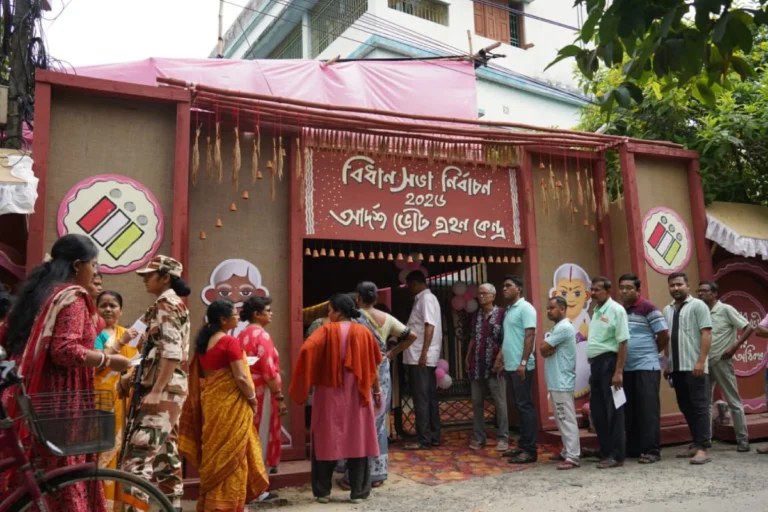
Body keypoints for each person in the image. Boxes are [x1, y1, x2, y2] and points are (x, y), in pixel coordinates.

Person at [0, 234, 131, 510]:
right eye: (93, 265)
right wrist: (109, 360)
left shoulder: (39, 293)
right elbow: (66, 351)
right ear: (76, 266)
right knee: (61, 472)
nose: (95, 272)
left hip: (28, 392)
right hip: (59, 399)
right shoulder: (72, 298)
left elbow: (7, 334)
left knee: (35, 469)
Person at [290, 294, 383, 504]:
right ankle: (358, 493)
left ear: (338, 312)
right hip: (357, 394)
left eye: (330, 310)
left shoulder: (323, 331)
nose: (328, 314)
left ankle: (323, 492)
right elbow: (373, 367)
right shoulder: (364, 333)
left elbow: (306, 350)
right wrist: (376, 392)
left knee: (325, 440)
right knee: (357, 441)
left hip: (328, 396)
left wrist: (308, 379)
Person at [179, 299, 269, 511]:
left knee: (215, 453)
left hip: (211, 404)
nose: (239, 317)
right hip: (231, 406)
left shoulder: (203, 343)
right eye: (235, 314)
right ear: (223, 319)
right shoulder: (230, 342)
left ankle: (212, 503)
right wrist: (253, 400)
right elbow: (241, 378)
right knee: (234, 457)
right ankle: (230, 505)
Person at [119, 255, 191, 510]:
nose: (144, 280)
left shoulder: (165, 305)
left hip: (163, 391)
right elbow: (158, 352)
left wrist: (156, 390)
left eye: (149, 275)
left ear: (165, 278)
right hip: (170, 389)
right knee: (164, 455)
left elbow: (171, 352)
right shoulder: (172, 304)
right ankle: (174, 505)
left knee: (136, 460)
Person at [346, 281, 416, 488]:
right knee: (377, 420)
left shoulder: (353, 318)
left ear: (358, 297)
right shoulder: (387, 319)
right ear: (376, 298)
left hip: (357, 370)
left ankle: (355, 475)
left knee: (357, 420)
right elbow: (411, 335)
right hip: (380, 368)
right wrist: (392, 353)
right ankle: (377, 474)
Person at [94, 290, 140, 511]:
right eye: (103, 305)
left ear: (121, 310)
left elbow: (134, 364)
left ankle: (120, 505)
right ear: (97, 309)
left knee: (124, 453)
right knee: (104, 452)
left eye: (113, 305)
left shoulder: (129, 333)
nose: (108, 309)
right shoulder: (97, 334)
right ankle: (103, 505)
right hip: (101, 400)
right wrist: (121, 342)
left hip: (125, 400)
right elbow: (97, 364)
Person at [662, 272, 713, 465]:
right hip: (677, 367)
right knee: (685, 406)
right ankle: (695, 443)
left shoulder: (698, 305)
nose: (675, 288)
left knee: (699, 406)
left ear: (687, 286)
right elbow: (667, 338)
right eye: (672, 285)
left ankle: (703, 448)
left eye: (679, 285)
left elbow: (706, 334)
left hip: (695, 366)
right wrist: (667, 363)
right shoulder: (667, 309)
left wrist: (701, 362)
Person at [618, 273, 669, 464]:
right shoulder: (621, 310)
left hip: (647, 366)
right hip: (627, 368)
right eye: (621, 287)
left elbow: (664, 334)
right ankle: (633, 448)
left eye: (629, 288)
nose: (624, 291)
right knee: (630, 409)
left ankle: (652, 451)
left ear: (638, 290)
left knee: (648, 409)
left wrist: (652, 352)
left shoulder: (647, 307)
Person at [697, 280, 753, 452]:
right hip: (704, 362)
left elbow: (748, 327)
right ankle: (706, 440)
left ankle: (742, 439)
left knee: (733, 400)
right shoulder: (700, 311)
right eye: (699, 291)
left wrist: (734, 347)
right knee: (705, 402)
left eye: (705, 291)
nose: (701, 294)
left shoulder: (725, 309)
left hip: (722, 360)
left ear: (715, 294)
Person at [238, 296, 287, 474]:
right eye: (268, 310)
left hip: (247, 388)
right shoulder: (262, 336)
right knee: (263, 431)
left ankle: (250, 471)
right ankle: (259, 474)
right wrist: (279, 395)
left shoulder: (242, 334)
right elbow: (268, 370)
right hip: (263, 390)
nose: (271, 313)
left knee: (251, 430)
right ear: (257, 314)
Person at [586, 276, 629, 469]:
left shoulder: (616, 310)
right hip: (596, 365)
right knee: (598, 410)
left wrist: (618, 371)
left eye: (597, 290)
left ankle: (617, 455)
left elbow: (623, 342)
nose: (593, 293)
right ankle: (605, 451)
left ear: (608, 291)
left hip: (609, 364)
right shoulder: (596, 311)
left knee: (614, 410)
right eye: (592, 289)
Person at [465, 283, 508, 452]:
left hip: (494, 365)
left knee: (500, 402)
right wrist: (468, 355)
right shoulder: (476, 316)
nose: (481, 296)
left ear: (493, 296)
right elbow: (473, 338)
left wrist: (500, 358)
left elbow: (507, 339)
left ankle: (503, 437)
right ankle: (479, 436)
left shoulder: (502, 315)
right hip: (477, 364)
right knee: (477, 402)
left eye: (484, 293)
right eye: (479, 294)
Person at [402, 271, 443, 451]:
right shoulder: (425, 299)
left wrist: (424, 353)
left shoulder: (426, 299)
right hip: (422, 355)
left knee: (422, 398)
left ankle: (424, 439)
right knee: (429, 397)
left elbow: (429, 326)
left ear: (416, 283)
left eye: (409, 285)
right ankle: (433, 436)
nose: (408, 289)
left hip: (420, 356)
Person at [500, 275, 538, 463]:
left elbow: (530, 335)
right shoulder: (509, 310)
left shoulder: (526, 308)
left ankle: (530, 451)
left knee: (525, 407)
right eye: (504, 286)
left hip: (521, 366)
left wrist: (523, 363)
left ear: (519, 289)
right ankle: (522, 445)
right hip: (510, 366)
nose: (504, 289)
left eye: (508, 286)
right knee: (519, 406)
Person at [540, 296, 580, 469]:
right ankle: (566, 451)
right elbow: (544, 350)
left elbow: (543, 348)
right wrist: (547, 349)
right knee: (560, 418)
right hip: (557, 380)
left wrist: (547, 348)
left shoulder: (563, 328)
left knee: (566, 418)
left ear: (563, 309)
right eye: (548, 308)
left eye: (552, 308)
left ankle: (573, 456)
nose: (549, 311)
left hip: (562, 381)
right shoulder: (558, 328)